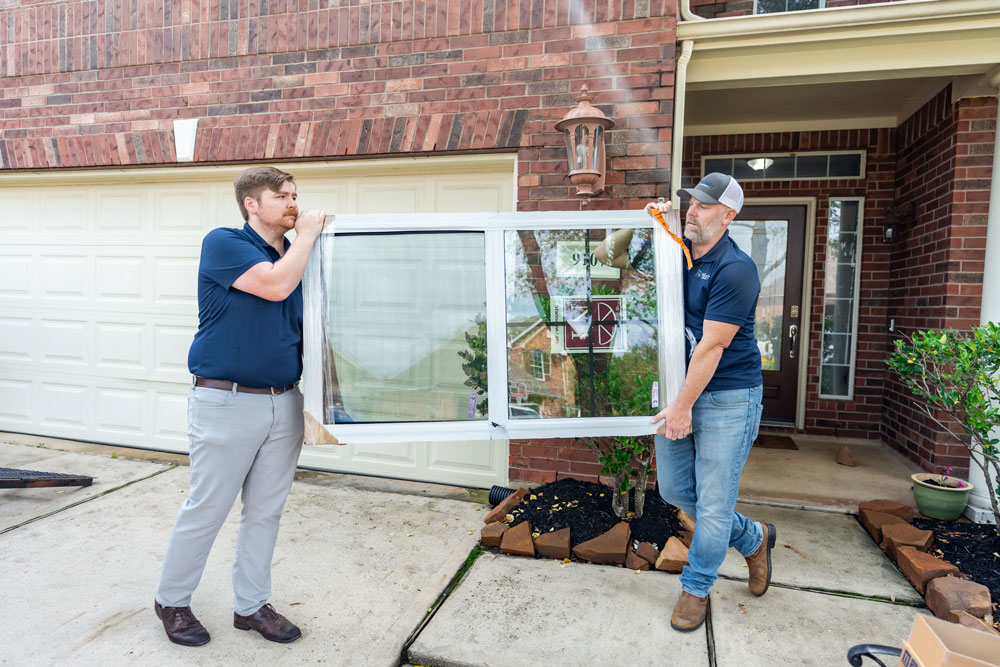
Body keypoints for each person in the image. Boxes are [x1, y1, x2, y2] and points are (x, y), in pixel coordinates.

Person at [153, 166, 327, 647]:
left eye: (295, 195)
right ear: (253, 204)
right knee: (208, 507)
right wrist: (310, 235)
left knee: (266, 512)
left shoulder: (295, 252)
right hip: (225, 401)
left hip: (283, 402)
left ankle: (251, 606)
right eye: (282, 195)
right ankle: (172, 601)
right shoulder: (225, 242)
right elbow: (274, 286)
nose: (293, 203)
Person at [648, 173, 775, 632]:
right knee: (676, 491)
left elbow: (710, 347)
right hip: (678, 389)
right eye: (691, 203)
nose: (691, 211)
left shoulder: (735, 268)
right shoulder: (673, 252)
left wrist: (681, 407)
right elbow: (610, 257)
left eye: (703, 206)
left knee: (715, 503)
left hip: (727, 397)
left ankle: (696, 588)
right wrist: (646, 223)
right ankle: (754, 537)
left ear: (728, 216)